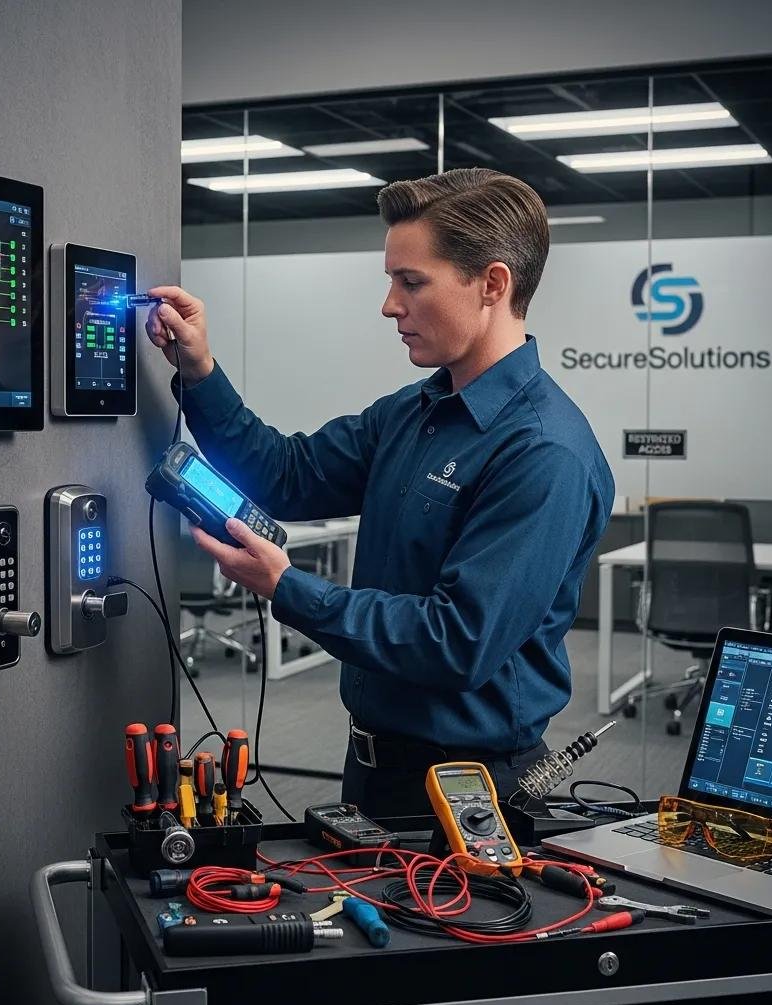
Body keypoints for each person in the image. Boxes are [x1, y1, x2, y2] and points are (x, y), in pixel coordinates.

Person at [146, 168, 614, 817]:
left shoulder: (542, 452)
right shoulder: (413, 412)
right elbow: (284, 473)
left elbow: (457, 642)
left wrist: (290, 588)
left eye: (411, 282)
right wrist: (198, 368)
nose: (390, 305)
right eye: (391, 281)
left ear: (492, 284)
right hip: (371, 771)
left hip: (468, 793)